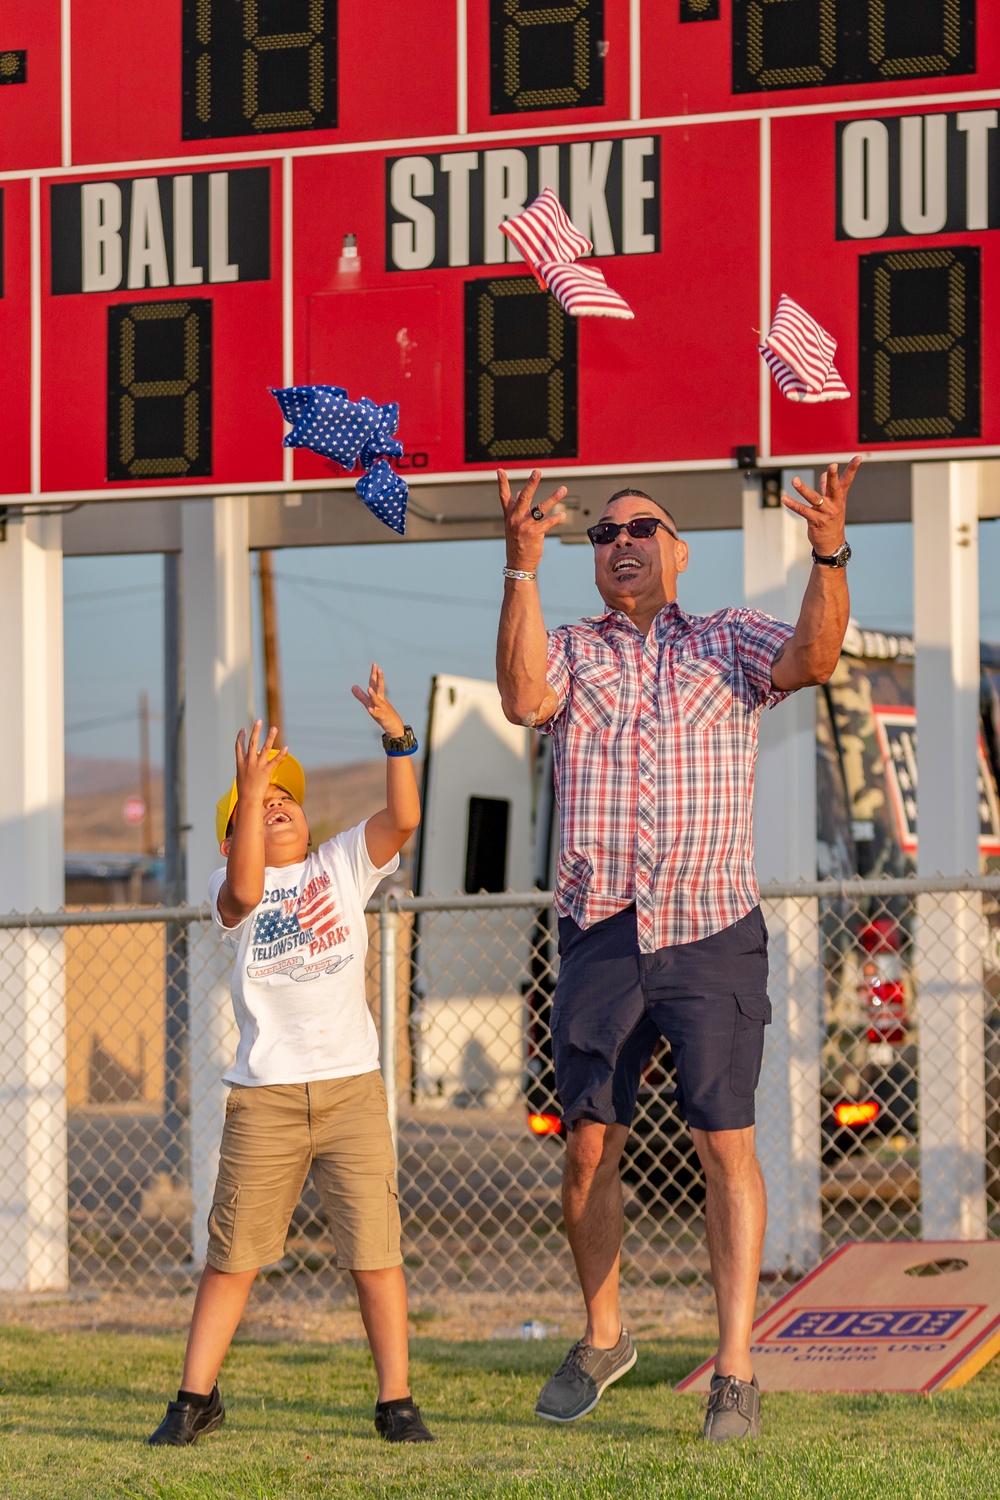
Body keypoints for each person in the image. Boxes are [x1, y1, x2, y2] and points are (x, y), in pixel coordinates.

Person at [495, 460, 858, 1441]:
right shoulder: (570, 647)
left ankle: (734, 1368)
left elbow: (815, 659)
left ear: (679, 553)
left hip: (709, 931)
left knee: (722, 1147)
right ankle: (604, 1336)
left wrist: (828, 552)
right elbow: (523, 697)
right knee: (583, 1154)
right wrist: (520, 566)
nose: (621, 542)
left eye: (642, 528)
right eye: (603, 533)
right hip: (602, 934)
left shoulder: (730, 639)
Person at [148, 665, 434, 1448]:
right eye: (256, 806)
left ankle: (396, 1402)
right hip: (266, 1098)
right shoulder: (225, 884)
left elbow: (402, 819)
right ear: (233, 832)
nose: (276, 806)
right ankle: (194, 1400)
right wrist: (243, 787)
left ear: (308, 822)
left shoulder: (340, 863)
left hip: (349, 1092)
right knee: (233, 1255)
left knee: (373, 1251)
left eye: (285, 800)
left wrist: (395, 736)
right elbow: (243, 896)